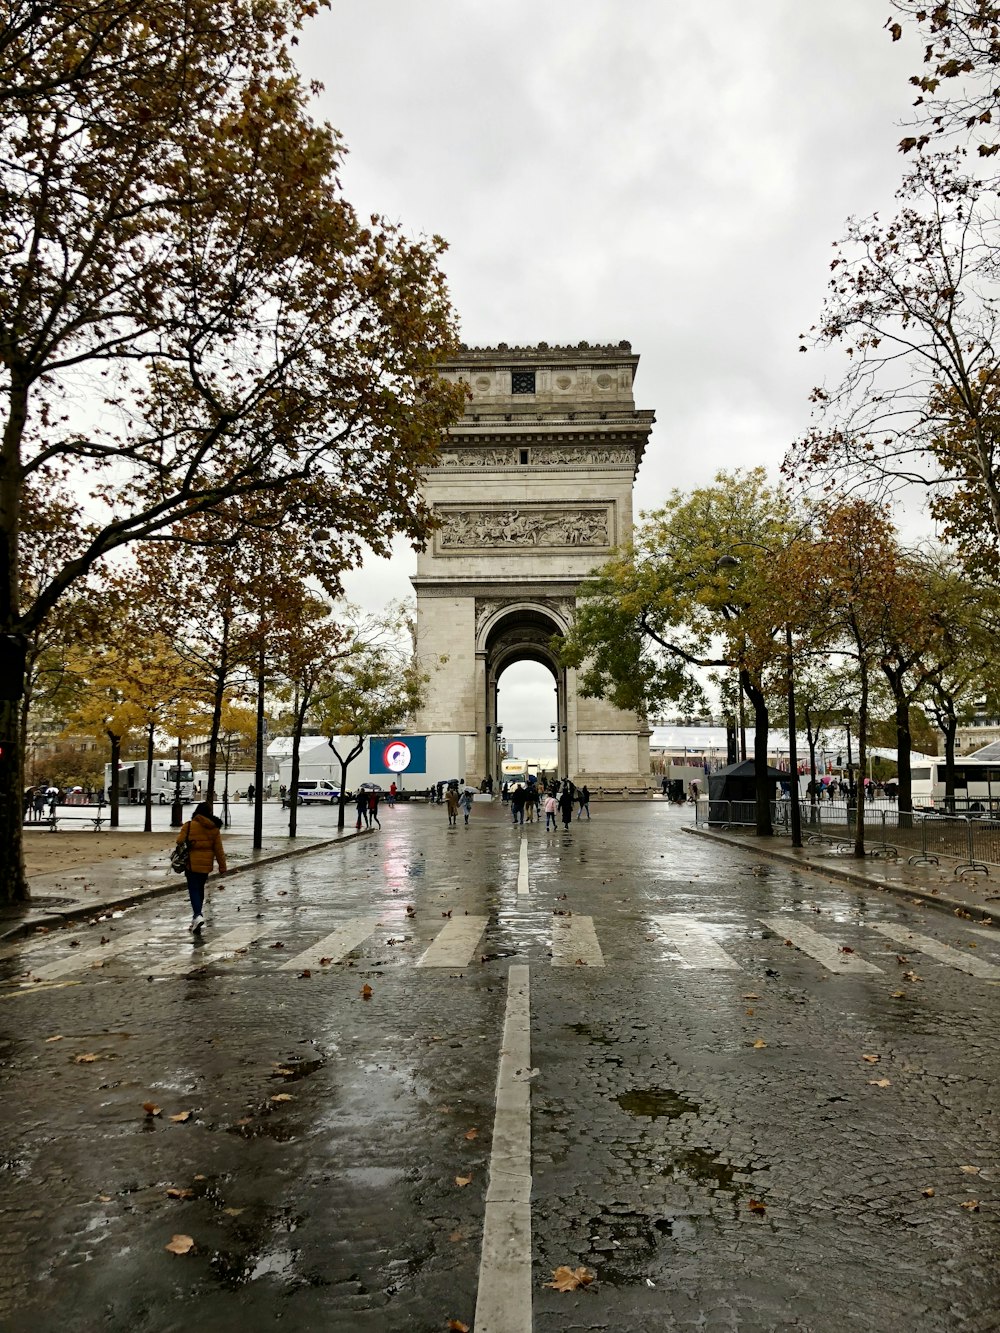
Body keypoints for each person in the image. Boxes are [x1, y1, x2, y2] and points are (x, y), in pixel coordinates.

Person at [176, 802, 227, 933]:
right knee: (200, 889)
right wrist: (222, 866)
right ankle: (196, 917)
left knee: (193, 889)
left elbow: (179, 841)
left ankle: (197, 915)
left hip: (191, 863)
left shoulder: (189, 826)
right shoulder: (214, 828)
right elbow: (219, 849)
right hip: (206, 864)